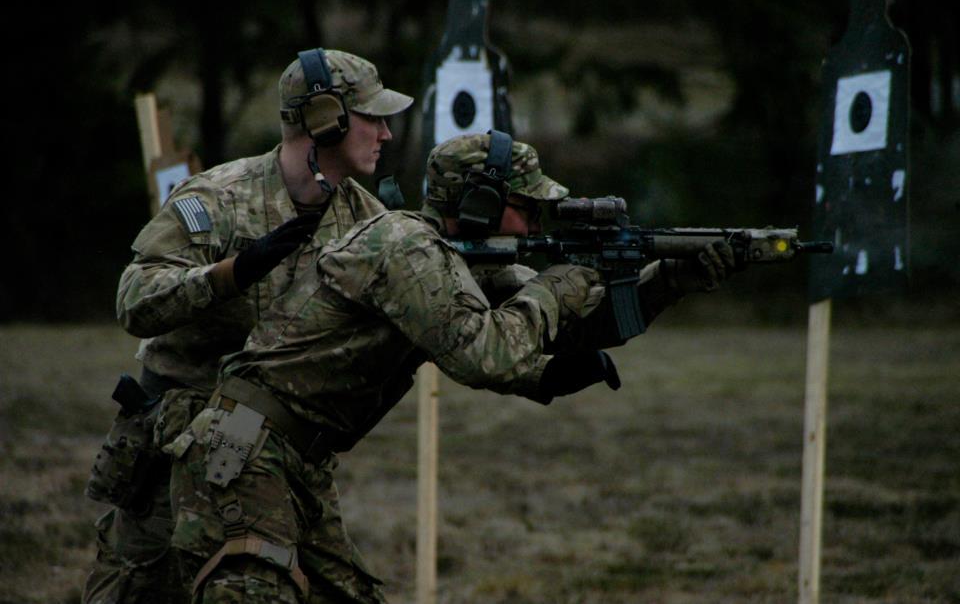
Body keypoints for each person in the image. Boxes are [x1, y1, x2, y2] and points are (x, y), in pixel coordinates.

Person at [165, 131, 740, 603]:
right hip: (244, 451)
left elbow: (568, 328)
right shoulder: (407, 248)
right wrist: (557, 287)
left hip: (289, 458)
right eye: (525, 206)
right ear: (479, 204)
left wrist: (669, 283)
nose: (538, 221)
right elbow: (489, 355)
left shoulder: (463, 262)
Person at [82, 48, 413, 604]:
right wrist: (230, 274)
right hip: (175, 450)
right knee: (142, 590)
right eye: (371, 116)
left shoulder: (367, 223)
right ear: (324, 119)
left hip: (282, 456)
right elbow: (134, 299)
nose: (386, 132)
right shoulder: (217, 199)